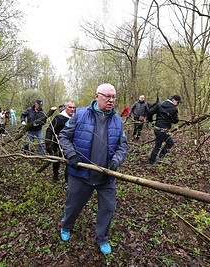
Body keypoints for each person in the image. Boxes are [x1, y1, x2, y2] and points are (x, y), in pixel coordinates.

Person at [58, 83, 128, 255]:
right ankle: (66, 226)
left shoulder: (117, 121)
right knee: (73, 205)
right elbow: (63, 137)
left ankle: (102, 238)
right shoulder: (80, 115)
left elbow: (123, 146)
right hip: (81, 174)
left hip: (106, 177)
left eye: (114, 97)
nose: (111, 100)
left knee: (108, 209)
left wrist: (116, 162)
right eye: (107, 96)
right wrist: (71, 155)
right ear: (97, 96)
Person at [45, 101, 76, 182]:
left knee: (69, 163)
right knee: (57, 161)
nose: (72, 109)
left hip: (71, 145)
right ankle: (55, 176)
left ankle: (67, 181)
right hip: (58, 144)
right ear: (65, 108)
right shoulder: (59, 118)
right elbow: (49, 130)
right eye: (70, 107)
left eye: (73, 107)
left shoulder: (76, 118)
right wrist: (48, 143)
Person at [148, 94, 182, 165]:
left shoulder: (159, 104)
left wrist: (150, 120)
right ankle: (151, 161)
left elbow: (150, 112)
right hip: (163, 129)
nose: (178, 104)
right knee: (158, 145)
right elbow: (174, 121)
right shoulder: (174, 109)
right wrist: (177, 120)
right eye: (178, 102)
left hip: (157, 128)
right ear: (173, 100)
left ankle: (161, 156)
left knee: (170, 143)